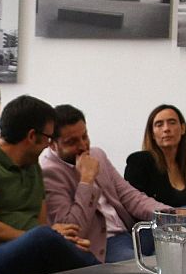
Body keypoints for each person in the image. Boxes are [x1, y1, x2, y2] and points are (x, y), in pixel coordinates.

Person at [0, 95, 96, 274]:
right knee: (45, 238)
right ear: (32, 136)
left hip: (27, 253)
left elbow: (39, 224)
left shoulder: (33, 167)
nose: (49, 146)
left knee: (66, 244)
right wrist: (40, 236)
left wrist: (57, 237)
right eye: (48, 138)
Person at [40, 104, 165, 264]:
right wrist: (86, 180)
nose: (83, 146)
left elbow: (130, 196)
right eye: (72, 142)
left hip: (129, 231)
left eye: (85, 136)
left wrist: (170, 214)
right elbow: (73, 229)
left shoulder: (97, 154)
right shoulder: (49, 173)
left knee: (183, 237)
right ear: (52, 144)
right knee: (147, 268)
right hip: (103, 243)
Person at [123, 104, 186, 209]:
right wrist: (177, 215)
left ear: (183, 128)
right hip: (153, 225)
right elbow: (132, 205)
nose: (166, 129)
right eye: (159, 124)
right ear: (152, 134)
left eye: (172, 122)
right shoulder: (140, 161)